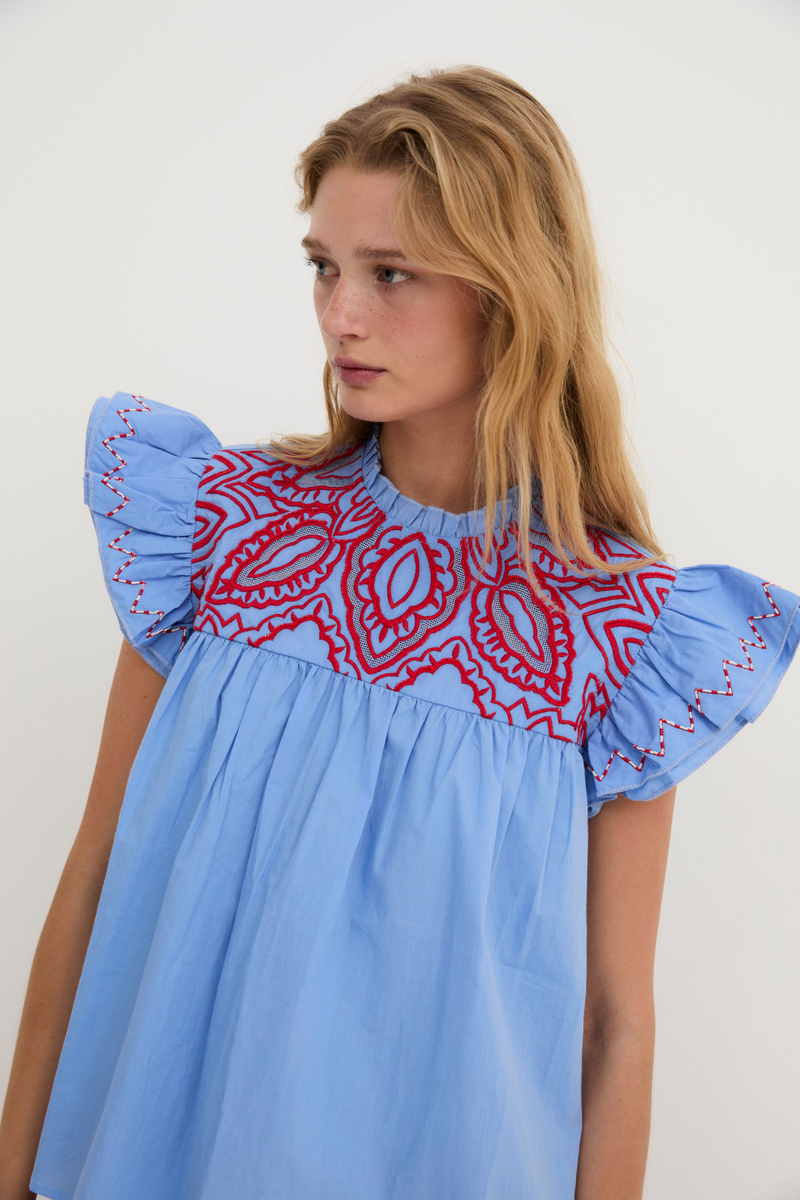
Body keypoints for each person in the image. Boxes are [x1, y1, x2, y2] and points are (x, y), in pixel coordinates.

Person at [0, 65, 797, 1200]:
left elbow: (612, 1022)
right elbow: (95, 872)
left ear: (511, 290)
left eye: (391, 273)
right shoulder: (218, 530)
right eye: (323, 266)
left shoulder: (623, 635)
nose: (342, 314)